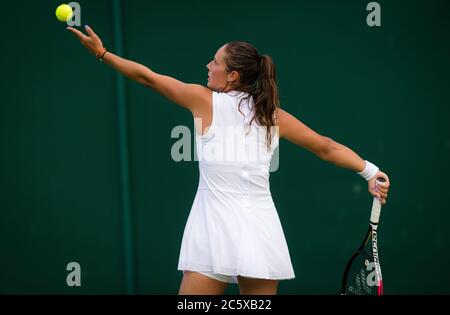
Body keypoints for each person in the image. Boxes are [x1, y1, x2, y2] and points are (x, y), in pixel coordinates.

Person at [67, 25, 391, 295]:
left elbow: (149, 78)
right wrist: (371, 172)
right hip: (248, 232)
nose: (208, 65)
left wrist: (102, 53)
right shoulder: (271, 115)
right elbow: (327, 146)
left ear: (233, 76)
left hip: (226, 231)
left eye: (216, 61)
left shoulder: (205, 101)